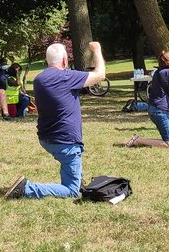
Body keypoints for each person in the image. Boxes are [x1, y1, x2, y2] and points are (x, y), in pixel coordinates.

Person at [6, 41, 106, 200]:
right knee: (72, 191)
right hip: (65, 141)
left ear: (47, 61)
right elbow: (100, 74)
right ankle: (27, 189)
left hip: (46, 138)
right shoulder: (67, 77)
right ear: (65, 61)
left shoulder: (39, 79)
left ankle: (77, 179)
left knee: (71, 166)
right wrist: (97, 50)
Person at [125, 49, 169, 149]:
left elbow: (163, 92)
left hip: (158, 108)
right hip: (160, 111)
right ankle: (137, 140)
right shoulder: (168, 73)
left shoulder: (160, 72)